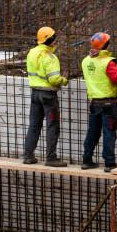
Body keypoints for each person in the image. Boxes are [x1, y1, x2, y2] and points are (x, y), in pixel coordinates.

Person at [80, 31, 117, 173]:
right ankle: (109, 163)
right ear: (106, 45)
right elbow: (115, 77)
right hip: (109, 104)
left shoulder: (85, 61)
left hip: (95, 103)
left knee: (93, 132)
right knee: (109, 132)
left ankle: (86, 160)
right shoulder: (108, 62)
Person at [23, 25, 69, 167]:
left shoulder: (32, 53)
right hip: (48, 95)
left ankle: (28, 155)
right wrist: (64, 80)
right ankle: (51, 158)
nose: (56, 41)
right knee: (52, 126)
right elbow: (54, 79)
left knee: (34, 125)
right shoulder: (50, 57)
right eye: (55, 39)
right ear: (50, 40)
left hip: (35, 93)